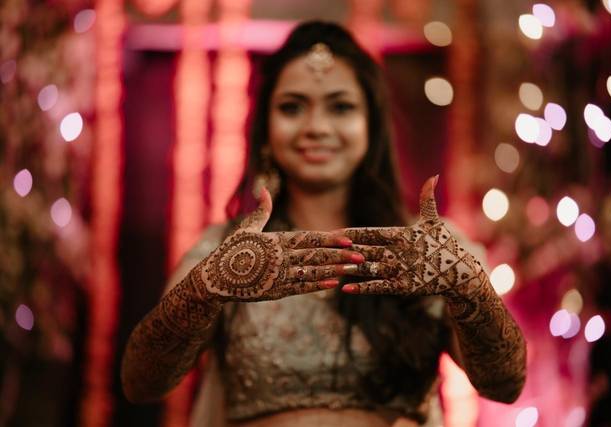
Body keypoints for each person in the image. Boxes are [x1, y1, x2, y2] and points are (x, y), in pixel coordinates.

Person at [121, 21, 526, 427]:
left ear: (372, 127)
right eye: (292, 107)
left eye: (341, 107)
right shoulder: (228, 255)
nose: (316, 127)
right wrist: (202, 292)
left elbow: (504, 386)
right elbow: (141, 384)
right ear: (265, 129)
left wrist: (469, 290)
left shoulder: (427, 251)